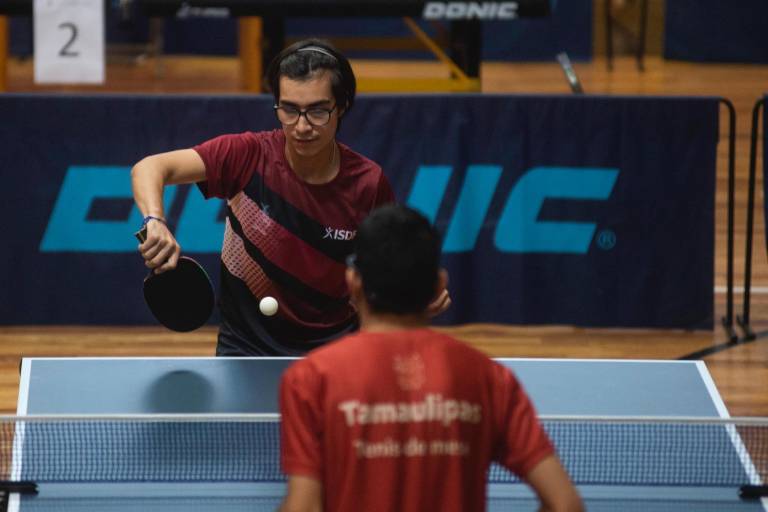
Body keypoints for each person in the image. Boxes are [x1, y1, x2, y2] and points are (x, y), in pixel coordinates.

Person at [131, 39, 450, 356]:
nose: (302, 126)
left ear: (341, 107)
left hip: (337, 350)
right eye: (289, 110)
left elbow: (387, 265)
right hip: (246, 348)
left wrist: (412, 297)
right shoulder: (247, 155)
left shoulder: (368, 183)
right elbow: (149, 168)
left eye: (318, 111)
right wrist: (155, 221)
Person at [278, 204, 583, 512]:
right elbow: (566, 505)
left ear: (353, 282)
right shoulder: (490, 379)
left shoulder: (311, 379)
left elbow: (304, 507)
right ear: (438, 285)